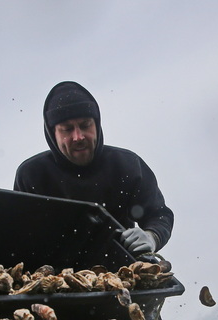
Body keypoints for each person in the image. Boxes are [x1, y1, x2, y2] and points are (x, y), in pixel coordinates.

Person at [14, 81, 173, 257]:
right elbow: (21, 235)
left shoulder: (127, 165)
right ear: (53, 134)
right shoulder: (31, 175)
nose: (78, 137)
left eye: (85, 125)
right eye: (67, 129)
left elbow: (159, 215)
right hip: (54, 277)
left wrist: (152, 236)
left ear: (96, 125)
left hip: (122, 274)